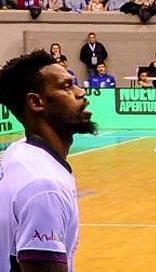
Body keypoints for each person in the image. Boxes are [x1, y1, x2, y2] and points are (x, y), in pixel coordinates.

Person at [0, 50, 96, 272]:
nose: (81, 92)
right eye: (66, 86)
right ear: (36, 102)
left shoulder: (20, 150)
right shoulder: (44, 186)